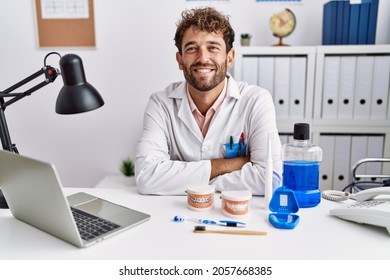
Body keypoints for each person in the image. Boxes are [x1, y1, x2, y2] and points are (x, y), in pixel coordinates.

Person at [135, 7, 282, 195]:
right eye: (192, 49)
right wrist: (226, 165)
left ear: (230, 58)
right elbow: (147, 177)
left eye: (213, 47)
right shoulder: (160, 103)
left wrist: (189, 181)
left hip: (238, 214)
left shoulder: (256, 101)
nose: (202, 58)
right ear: (180, 60)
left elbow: (270, 178)